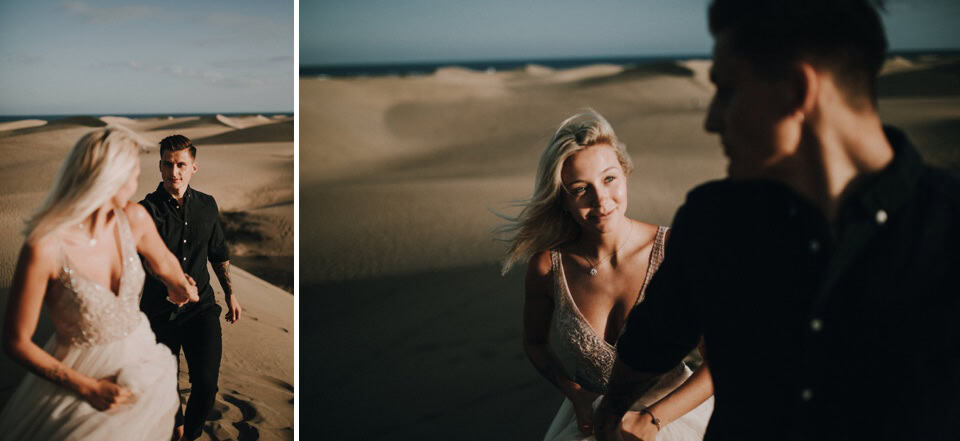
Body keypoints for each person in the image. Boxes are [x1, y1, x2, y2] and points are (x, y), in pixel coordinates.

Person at [595, 1, 960, 440]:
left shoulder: (947, 230)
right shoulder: (713, 224)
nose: (713, 120)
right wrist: (615, 410)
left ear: (796, 90)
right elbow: (650, 345)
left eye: (728, 90)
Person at [501, 111, 714, 441]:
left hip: (676, 419)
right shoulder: (547, 266)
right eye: (580, 188)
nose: (601, 200)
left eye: (609, 179)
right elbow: (534, 343)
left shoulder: (675, 251)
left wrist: (651, 421)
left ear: (626, 175)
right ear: (563, 200)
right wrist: (574, 393)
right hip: (594, 426)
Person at [0, 127, 199, 440]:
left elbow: (164, 263)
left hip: (141, 365)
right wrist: (86, 387)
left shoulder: (133, 218)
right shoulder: (46, 245)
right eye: (132, 175)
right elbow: (16, 340)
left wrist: (181, 285)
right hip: (79, 381)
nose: (136, 184)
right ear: (108, 178)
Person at [138, 134, 241, 441]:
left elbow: (218, 253)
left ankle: (190, 436)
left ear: (193, 167)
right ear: (159, 166)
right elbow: (141, 260)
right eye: (168, 164)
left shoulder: (207, 206)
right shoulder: (146, 210)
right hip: (158, 312)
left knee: (207, 384)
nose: (174, 172)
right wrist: (168, 283)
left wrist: (231, 292)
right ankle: (175, 424)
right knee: (164, 385)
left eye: (181, 164)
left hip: (202, 309)